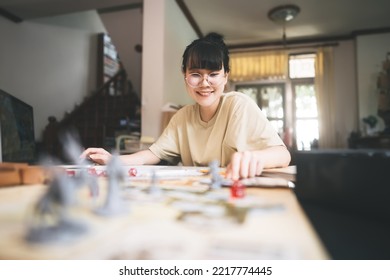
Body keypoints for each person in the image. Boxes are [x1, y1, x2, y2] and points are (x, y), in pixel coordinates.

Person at [80, 33, 291, 180]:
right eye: (196, 74)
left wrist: (255, 157)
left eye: (214, 74)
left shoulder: (238, 105)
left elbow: (283, 155)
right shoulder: (182, 117)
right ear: (185, 76)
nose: (205, 83)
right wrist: (112, 159)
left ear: (226, 76)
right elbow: (151, 155)